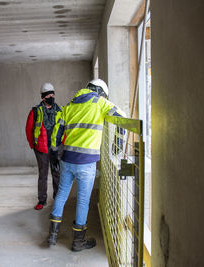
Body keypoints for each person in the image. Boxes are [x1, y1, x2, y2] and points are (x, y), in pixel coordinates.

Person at [47, 78, 125, 251]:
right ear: (101, 92)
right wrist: (117, 144)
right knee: (83, 201)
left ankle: (52, 235)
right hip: (86, 164)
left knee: (61, 195)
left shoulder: (69, 105)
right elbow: (122, 117)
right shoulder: (100, 103)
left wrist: (54, 152)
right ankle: (77, 242)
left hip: (67, 160)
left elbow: (56, 133)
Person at [25, 82, 63, 210]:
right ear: (43, 97)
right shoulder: (35, 111)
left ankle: (57, 199)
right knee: (43, 174)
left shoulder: (60, 110)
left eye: (53, 94)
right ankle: (42, 200)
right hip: (41, 149)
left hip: (56, 149)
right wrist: (33, 145)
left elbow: (65, 129)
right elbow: (28, 129)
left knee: (57, 173)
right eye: (48, 95)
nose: (51, 96)